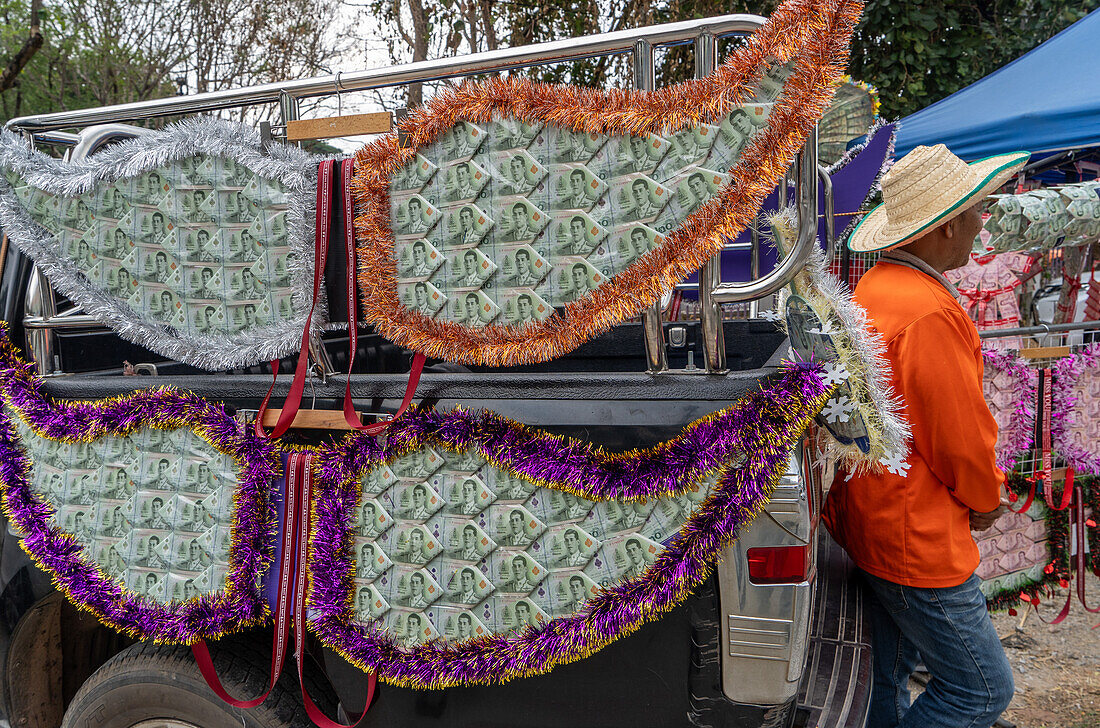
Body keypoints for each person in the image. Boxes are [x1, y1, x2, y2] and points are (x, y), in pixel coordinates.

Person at [825, 144, 1027, 728]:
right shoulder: (928, 311)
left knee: (885, 681)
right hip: (916, 535)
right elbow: (957, 439)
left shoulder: (876, 289)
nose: (981, 222)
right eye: (977, 211)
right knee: (981, 691)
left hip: (873, 520)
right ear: (943, 227)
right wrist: (987, 499)